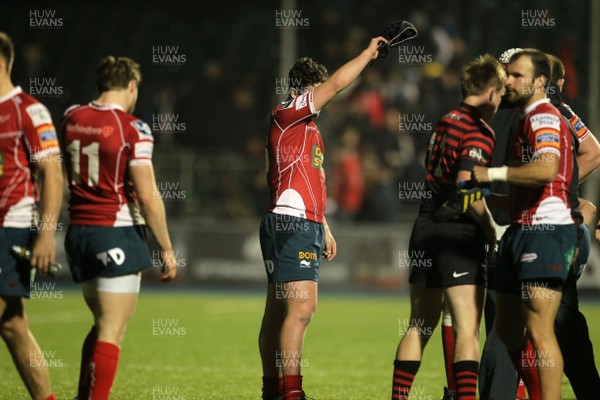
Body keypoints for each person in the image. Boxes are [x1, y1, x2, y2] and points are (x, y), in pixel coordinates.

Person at [258, 37, 386, 400]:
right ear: (301, 89)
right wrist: (368, 54)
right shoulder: (288, 112)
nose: (325, 98)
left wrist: (324, 225)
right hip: (292, 220)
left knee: (278, 312)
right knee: (301, 309)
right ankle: (292, 393)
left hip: (298, 218)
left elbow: (311, 177)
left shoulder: (306, 128)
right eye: (317, 90)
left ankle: (273, 391)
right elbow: (339, 84)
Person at [61, 56, 177, 399]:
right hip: (115, 231)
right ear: (131, 86)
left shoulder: (71, 116)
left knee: (101, 326)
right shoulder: (134, 128)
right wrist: (166, 248)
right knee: (113, 331)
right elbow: (147, 194)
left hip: (78, 232)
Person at [391, 54, 505, 400]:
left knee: (419, 325)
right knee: (468, 329)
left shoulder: (444, 121)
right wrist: (490, 226)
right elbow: (466, 186)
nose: (501, 100)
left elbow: (435, 169)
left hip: (425, 225)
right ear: (489, 91)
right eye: (500, 92)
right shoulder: (479, 130)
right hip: (457, 232)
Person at [472, 49, 576, 400]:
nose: (509, 81)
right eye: (508, 74)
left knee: (539, 328)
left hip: (545, 230)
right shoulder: (523, 118)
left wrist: (494, 173)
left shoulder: (543, 116)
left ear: (541, 81)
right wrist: (486, 195)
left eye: (518, 75)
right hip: (520, 229)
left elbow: (547, 168)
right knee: (506, 327)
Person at [0, 31, 61, 400]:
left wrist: (47, 233)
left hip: (11, 224)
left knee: (10, 321)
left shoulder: (29, 109)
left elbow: (52, 173)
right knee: (10, 323)